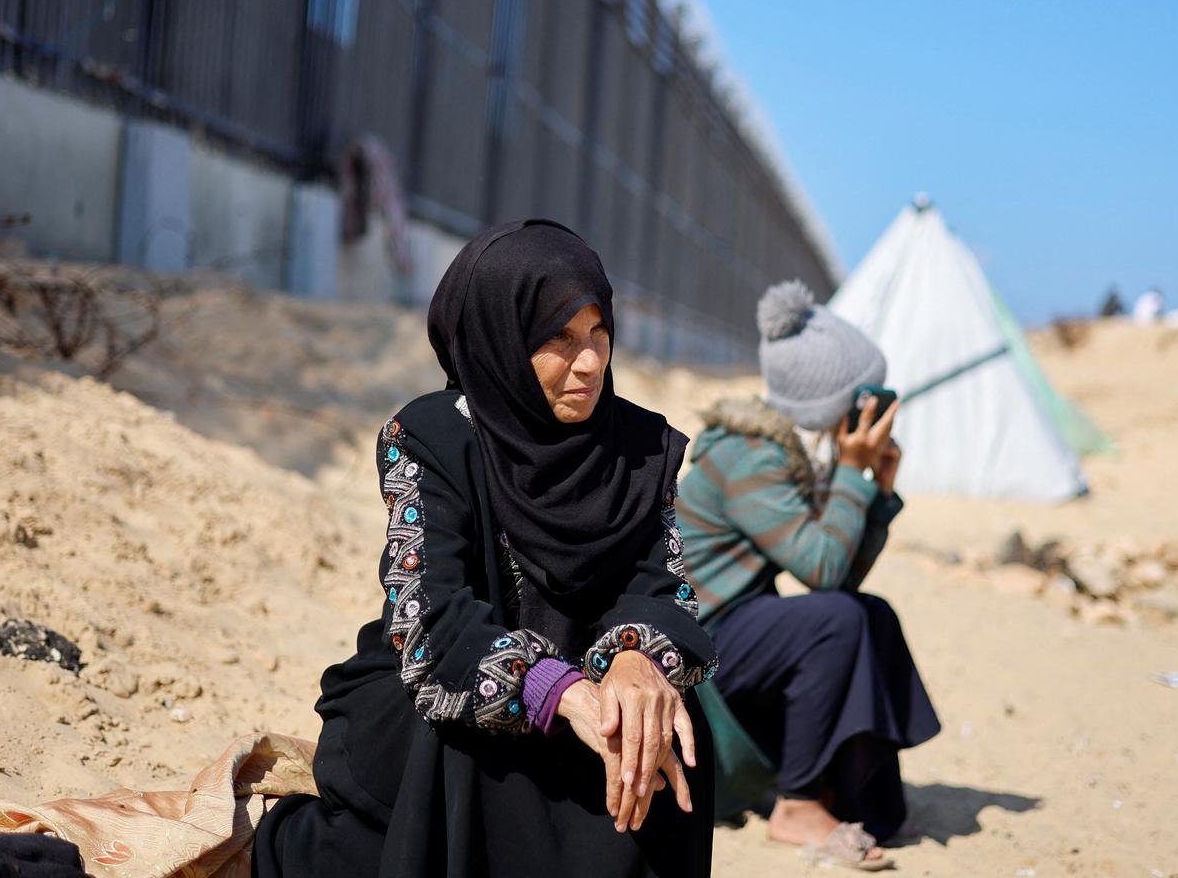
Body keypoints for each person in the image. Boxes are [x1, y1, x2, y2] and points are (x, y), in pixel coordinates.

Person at [253, 221, 718, 878]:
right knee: (477, 751)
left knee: (661, 728)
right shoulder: (431, 437)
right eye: (558, 338)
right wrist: (559, 693)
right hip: (433, 696)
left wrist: (635, 663)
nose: (589, 362)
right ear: (500, 337)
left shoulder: (640, 449)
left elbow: (661, 586)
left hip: (589, 708)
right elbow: (431, 617)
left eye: (598, 333)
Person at [675, 280, 940, 871]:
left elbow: (839, 579)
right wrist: (851, 470)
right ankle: (796, 805)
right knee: (837, 619)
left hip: (736, 628)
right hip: (696, 645)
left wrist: (878, 492)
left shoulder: (784, 452)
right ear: (832, 400)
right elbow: (822, 573)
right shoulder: (748, 452)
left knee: (868, 612)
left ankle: (854, 794)